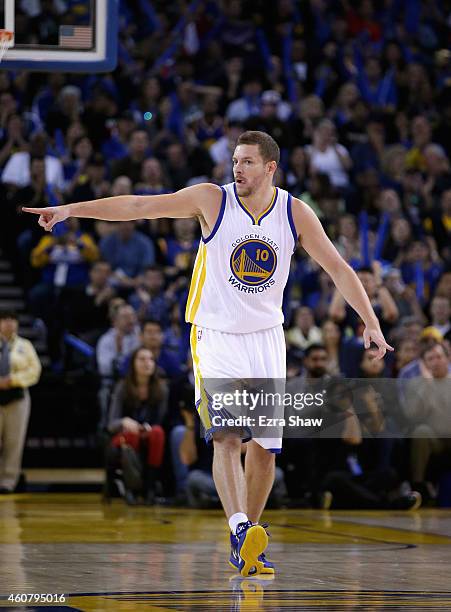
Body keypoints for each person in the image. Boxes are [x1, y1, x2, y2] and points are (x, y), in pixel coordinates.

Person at [23, 130, 393, 577]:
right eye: (235, 161)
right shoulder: (211, 200)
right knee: (227, 435)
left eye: (248, 162)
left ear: (270, 167)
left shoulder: (295, 213)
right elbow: (140, 206)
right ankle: (239, 527)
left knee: (265, 452)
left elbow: (338, 267)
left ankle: (248, 543)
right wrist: (70, 210)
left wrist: (371, 322)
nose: (237, 169)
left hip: (267, 339)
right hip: (216, 335)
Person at [106, 347, 167, 505]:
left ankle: (150, 488)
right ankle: (131, 488)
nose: (147, 363)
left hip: (148, 434)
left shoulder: (161, 389)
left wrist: (146, 427)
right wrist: (124, 421)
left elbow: (161, 421)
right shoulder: (122, 387)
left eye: (150, 359)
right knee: (131, 435)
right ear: (133, 363)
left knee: (158, 432)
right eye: (141, 359)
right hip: (123, 436)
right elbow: (111, 424)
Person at [0, 310, 41, 493]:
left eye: (13, 320)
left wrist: (13, 380)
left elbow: (34, 370)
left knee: (14, 442)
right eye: (5, 319)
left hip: (17, 397)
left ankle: (8, 482)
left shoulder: (25, 345)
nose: (9, 323)